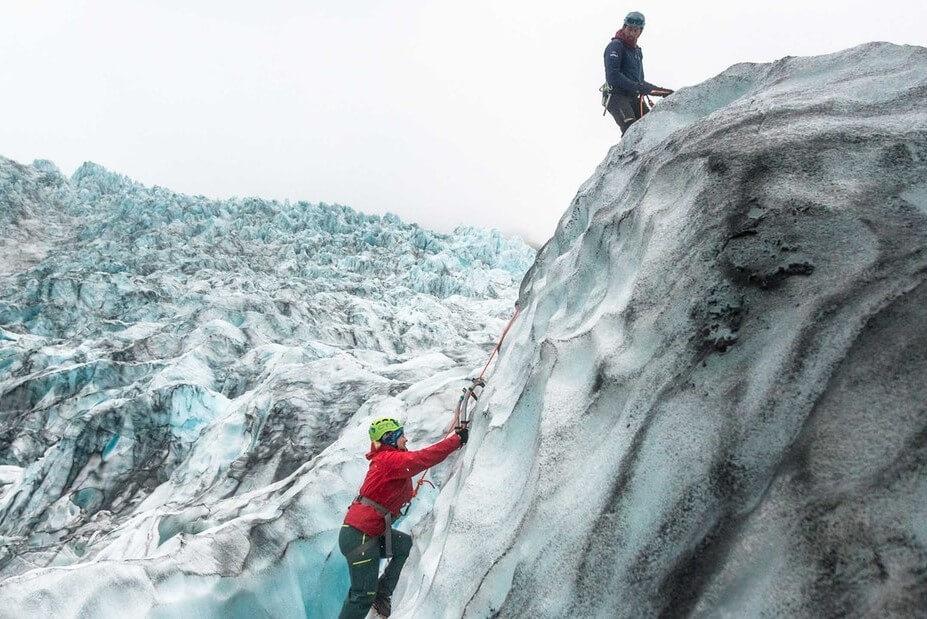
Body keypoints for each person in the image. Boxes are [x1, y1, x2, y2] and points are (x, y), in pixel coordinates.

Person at [338, 417, 468, 618]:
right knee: (362, 594)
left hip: (367, 532)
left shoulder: (389, 461)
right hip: (360, 535)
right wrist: (456, 440)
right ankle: (376, 595)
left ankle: (383, 593)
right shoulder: (388, 459)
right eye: (401, 435)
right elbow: (421, 459)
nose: (406, 439)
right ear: (390, 438)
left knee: (404, 546)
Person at [603, 11, 673, 135]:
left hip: (633, 97)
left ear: (641, 31)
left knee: (651, 127)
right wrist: (639, 87)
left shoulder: (637, 52)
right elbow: (612, 76)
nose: (632, 33)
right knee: (631, 129)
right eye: (630, 29)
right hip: (616, 96)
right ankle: (627, 155)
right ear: (624, 27)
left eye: (636, 30)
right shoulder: (615, 46)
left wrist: (663, 92)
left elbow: (640, 82)